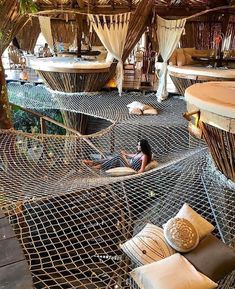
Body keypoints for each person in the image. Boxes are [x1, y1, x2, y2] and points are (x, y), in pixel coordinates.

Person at [84, 139, 152, 173]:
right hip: (128, 164)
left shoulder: (144, 156)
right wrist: (125, 154)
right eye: (137, 144)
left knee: (118, 157)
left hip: (131, 168)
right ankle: (93, 162)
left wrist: (135, 173)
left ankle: (96, 166)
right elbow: (132, 155)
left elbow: (142, 169)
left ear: (143, 146)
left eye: (139, 145)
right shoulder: (139, 154)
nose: (137, 146)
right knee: (111, 159)